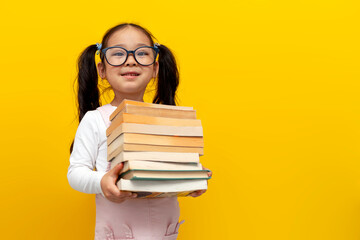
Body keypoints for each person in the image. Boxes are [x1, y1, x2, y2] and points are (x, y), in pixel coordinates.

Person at [67, 23, 211, 240]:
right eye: (118, 54)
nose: (131, 60)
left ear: (154, 69)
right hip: (117, 233)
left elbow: (168, 168)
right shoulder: (95, 120)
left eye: (142, 53)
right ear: (102, 70)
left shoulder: (167, 119)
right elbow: (76, 172)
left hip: (164, 233)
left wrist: (190, 177)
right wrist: (102, 182)